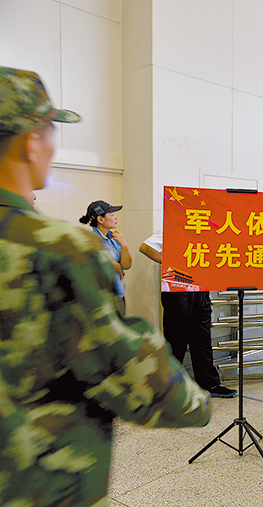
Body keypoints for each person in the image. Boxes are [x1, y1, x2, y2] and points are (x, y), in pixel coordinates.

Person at [0, 66, 211, 506]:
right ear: (30, 141)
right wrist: (193, 401)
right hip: (37, 478)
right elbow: (116, 363)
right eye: (51, 132)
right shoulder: (57, 247)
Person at [139, 232, 237, 398]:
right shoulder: (173, 229)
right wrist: (171, 264)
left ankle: (210, 384)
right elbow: (145, 247)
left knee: (202, 339)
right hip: (177, 291)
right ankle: (170, 387)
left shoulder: (206, 233)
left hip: (200, 288)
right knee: (176, 339)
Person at [79, 200, 132, 311]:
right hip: (102, 296)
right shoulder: (91, 239)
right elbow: (107, 264)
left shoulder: (114, 237)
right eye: (112, 215)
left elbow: (126, 265)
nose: (115, 218)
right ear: (101, 219)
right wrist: (117, 266)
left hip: (118, 292)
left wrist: (124, 245)